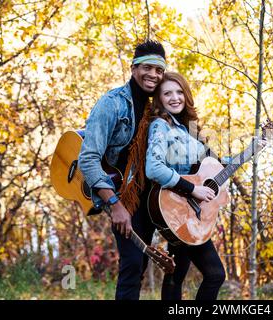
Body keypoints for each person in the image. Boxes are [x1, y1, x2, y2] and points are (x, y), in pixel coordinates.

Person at [78, 40, 167, 300]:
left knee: (138, 266)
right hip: (120, 197)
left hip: (147, 197)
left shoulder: (157, 109)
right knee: (131, 264)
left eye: (159, 70)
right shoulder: (111, 104)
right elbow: (88, 158)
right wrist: (116, 205)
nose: (153, 75)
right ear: (133, 68)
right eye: (147, 67)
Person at [146, 71, 226, 300]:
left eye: (179, 92)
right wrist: (193, 190)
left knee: (175, 274)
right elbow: (153, 168)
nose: (175, 97)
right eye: (167, 93)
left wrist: (251, 150)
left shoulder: (186, 129)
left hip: (188, 212)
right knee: (215, 274)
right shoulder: (160, 126)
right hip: (178, 206)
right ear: (159, 99)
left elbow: (208, 168)